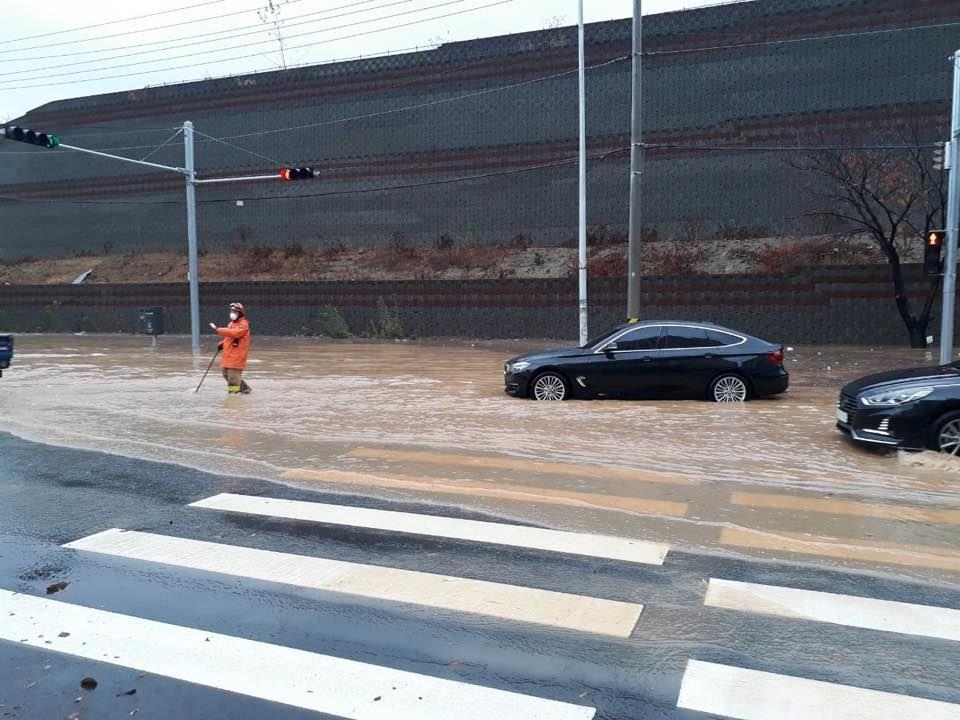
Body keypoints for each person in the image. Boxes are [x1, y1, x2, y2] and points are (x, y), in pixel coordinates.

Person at [209, 302, 251, 395]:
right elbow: (229, 337)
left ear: (240, 313)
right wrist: (222, 344)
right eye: (232, 311)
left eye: (235, 311)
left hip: (237, 356)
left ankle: (233, 395)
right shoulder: (231, 323)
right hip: (228, 354)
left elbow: (235, 333)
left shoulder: (244, 325)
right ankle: (245, 390)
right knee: (225, 373)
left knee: (233, 377)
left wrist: (218, 329)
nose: (232, 313)